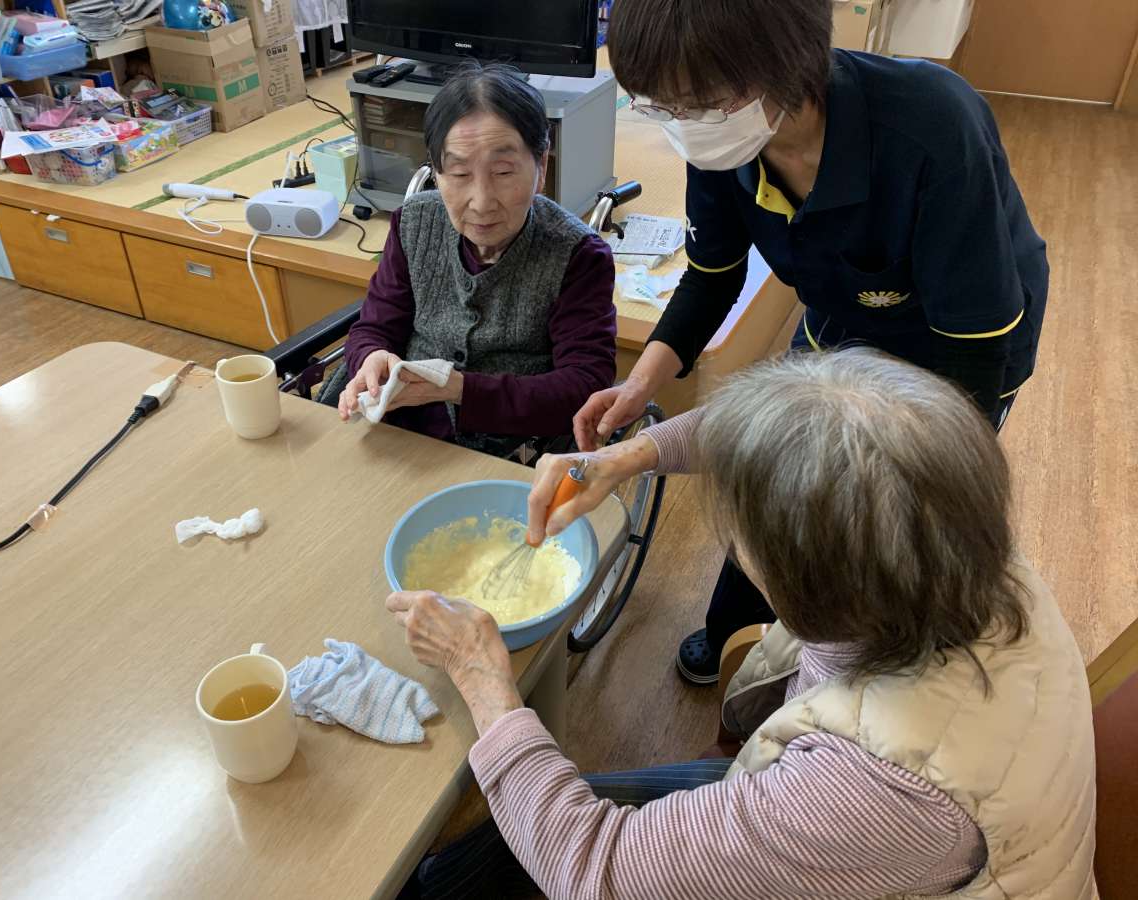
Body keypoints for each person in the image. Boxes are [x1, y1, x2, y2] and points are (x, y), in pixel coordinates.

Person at [388, 350, 1095, 900]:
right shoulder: (945, 536)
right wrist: (628, 455)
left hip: (859, 841)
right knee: (491, 853)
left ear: (797, 583)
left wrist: (483, 679)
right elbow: (791, 434)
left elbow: (595, 868)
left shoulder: (879, 793)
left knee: (499, 860)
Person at [573, 0, 1051, 683]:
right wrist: (639, 383)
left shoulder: (930, 125)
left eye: (700, 104)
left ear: (787, 61)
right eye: (661, 108)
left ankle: (856, 661)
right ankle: (736, 633)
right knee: (773, 480)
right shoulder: (722, 139)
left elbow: (974, 348)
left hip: (961, 339)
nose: (683, 124)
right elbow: (711, 276)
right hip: (841, 315)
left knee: (881, 513)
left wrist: (921, 472)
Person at [327, 64, 618, 456]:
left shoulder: (577, 254)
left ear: (541, 167)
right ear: (436, 172)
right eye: (460, 174)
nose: (481, 202)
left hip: (502, 443)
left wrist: (460, 390)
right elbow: (374, 326)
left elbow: (585, 385)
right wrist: (370, 356)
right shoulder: (414, 223)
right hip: (389, 423)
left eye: (503, 172)